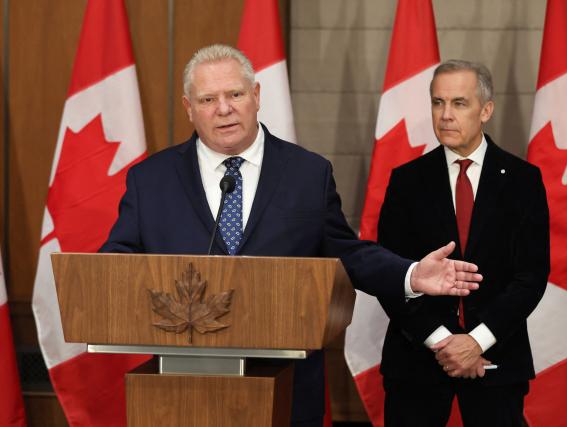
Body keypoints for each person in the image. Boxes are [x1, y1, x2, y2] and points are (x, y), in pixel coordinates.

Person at [100, 45, 482, 427]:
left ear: (256, 96)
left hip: (286, 388)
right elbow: (116, 261)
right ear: (188, 107)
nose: (223, 108)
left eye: (235, 94)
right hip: (181, 393)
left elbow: (347, 253)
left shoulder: (307, 174)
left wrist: (410, 274)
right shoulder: (151, 180)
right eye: (207, 99)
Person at [377, 60, 550, 427]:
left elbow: (531, 276)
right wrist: (443, 341)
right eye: (438, 103)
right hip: (416, 361)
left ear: (486, 109)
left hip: (497, 358)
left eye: (459, 103)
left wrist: (477, 341)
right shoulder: (406, 181)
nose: (445, 115)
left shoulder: (524, 180)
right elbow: (390, 275)